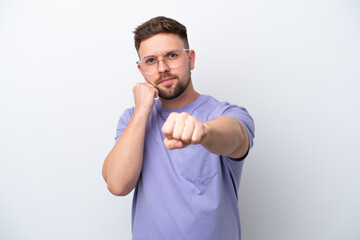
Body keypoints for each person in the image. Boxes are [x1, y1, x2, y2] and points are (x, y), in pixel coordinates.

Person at [102, 16, 255, 240]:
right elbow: (117, 184)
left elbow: (235, 136)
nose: (162, 68)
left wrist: (204, 132)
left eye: (171, 56)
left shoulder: (225, 114)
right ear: (141, 70)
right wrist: (142, 111)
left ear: (190, 59)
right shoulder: (131, 120)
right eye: (151, 61)